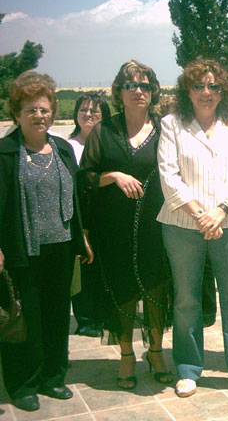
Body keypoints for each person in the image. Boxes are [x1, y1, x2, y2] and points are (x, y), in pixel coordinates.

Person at [157, 58, 228, 398]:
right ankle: (187, 369)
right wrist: (201, 214)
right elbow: (168, 175)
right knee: (186, 299)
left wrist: (221, 211)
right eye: (199, 85)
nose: (206, 92)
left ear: (222, 91)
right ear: (188, 89)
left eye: (213, 86)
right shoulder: (172, 124)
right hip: (182, 225)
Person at [0, 71, 92, 412]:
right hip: (21, 250)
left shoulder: (63, 149)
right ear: (18, 114)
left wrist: (81, 238)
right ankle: (22, 382)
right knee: (25, 320)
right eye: (31, 110)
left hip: (61, 247)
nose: (39, 116)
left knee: (56, 316)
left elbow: (76, 199)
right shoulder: (6, 153)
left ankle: (53, 377)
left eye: (44, 109)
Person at [78, 60, 173, 390]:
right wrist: (113, 176)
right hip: (114, 226)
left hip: (157, 224)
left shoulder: (166, 129)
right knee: (122, 291)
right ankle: (126, 355)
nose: (138, 91)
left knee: (157, 288)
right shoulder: (104, 131)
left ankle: (157, 352)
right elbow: (85, 177)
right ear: (119, 92)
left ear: (153, 91)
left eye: (144, 85)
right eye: (131, 85)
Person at [68, 93, 111, 338]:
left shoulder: (110, 144)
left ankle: (106, 314)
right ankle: (86, 319)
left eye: (95, 111)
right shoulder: (67, 146)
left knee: (105, 267)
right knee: (82, 268)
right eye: (83, 109)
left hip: (105, 215)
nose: (88, 115)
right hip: (80, 216)